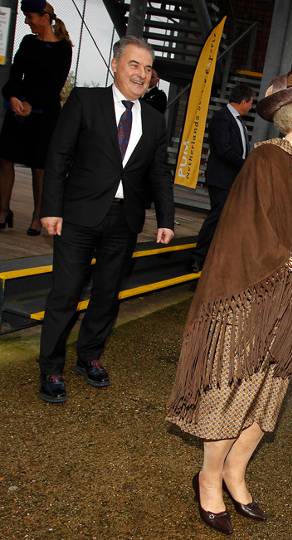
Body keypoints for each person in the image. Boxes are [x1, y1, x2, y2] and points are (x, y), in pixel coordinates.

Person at [166, 65, 292, 535]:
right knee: (230, 396)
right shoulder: (266, 160)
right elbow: (247, 232)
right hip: (248, 298)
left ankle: (237, 472)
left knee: (267, 397)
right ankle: (209, 478)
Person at [37, 36, 175, 404]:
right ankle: (51, 367)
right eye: (134, 65)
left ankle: (89, 357)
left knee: (107, 295)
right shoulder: (85, 101)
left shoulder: (155, 120)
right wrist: (50, 208)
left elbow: (159, 172)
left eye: (147, 68)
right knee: (65, 293)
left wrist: (166, 218)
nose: (141, 74)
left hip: (124, 220)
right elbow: (59, 155)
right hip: (78, 216)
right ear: (115, 65)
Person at [0, 0, 72, 235]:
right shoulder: (28, 42)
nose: (26, 21)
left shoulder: (63, 48)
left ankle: (38, 216)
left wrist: (32, 103)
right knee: (5, 159)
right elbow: (15, 75)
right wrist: (12, 97)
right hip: (18, 109)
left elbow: (55, 85)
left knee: (39, 166)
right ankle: (3, 211)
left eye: (29, 16)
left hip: (44, 115)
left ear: (44, 17)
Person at [190, 84, 255, 272]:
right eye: (251, 102)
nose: (251, 106)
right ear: (244, 101)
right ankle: (197, 257)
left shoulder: (238, 120)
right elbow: (223, 149)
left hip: (233, 179)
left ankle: (213, 256)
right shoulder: (222, 117)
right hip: (221, 178)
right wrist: (246, 164)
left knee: (225, 219)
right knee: (217, 217)